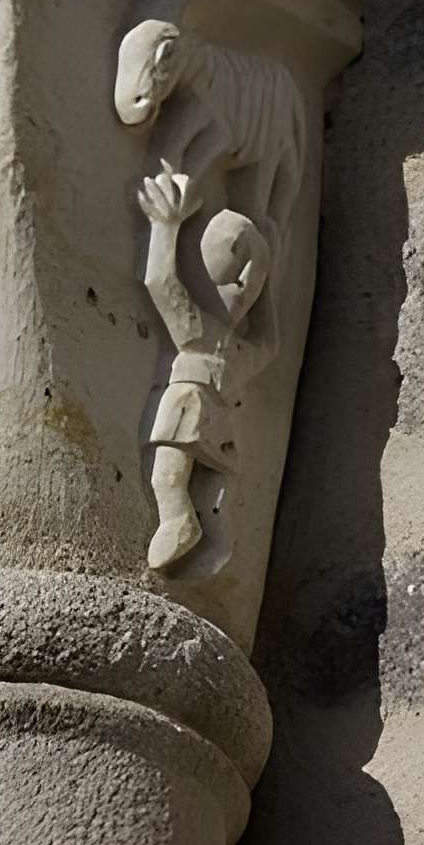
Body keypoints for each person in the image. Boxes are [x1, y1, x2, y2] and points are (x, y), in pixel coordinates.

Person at [136, 165, 273, 573]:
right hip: (210, 411)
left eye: (251, 280)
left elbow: (161, 281)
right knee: (201, 479)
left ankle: (184, 523)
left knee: (173, 479)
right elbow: (272, 342)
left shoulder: (201, 330)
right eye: (238, 274)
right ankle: (201, 527)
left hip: (192, 402)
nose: (244, 285)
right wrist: (265, 285)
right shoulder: (231, 344)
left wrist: (165, 226)